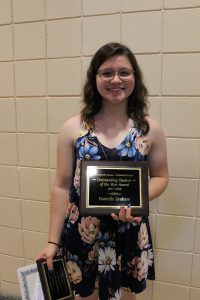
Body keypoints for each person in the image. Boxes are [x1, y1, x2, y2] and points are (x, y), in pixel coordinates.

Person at [36, 42, 168, 300]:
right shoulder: (73, 128)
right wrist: (52, 241)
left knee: (126, 296)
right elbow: (62, 185)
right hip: (81, 232)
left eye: (124, 72)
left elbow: (161, 177)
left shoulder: (150, 129)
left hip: (128, 232)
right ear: (94, 78)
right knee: (83, 296)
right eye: (107, 73)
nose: (116, 79)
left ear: (135, 78)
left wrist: (135, 199)